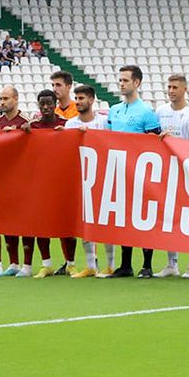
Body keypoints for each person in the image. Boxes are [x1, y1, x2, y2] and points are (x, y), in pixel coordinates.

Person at [106, 65, 162, 278]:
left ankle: (147, 264)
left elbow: (154, 144)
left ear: (137, 83)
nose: (121, 84)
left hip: (140, 174)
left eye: (125, 80)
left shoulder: (147, 112)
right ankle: (125, 264)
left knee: (143, 218)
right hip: (119, 173)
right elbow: (107, 139)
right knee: (122, 218)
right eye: (120, 80)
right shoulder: (114, 110)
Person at [155, 73, 189, 277]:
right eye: (169, 87)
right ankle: (171, 263)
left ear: (185, 89)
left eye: (175, 87)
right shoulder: (160, 111)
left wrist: (173, 142)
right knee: (169, 217)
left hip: (188, 172)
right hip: (167, 172)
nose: (171, 91)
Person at [27, 89, 78, 277]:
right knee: (42, 223)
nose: (46, 107)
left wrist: (66, 135)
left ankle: (70, 263)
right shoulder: (32, 127)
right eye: (42, 104)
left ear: (55, 103)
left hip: (62, 180)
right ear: (38, 105)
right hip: (40, 181)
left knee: (65, 222)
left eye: (49, 103)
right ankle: (46, 264)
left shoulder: (66, 125)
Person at [61, 84, 109, 277]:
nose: (78, 102)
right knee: (84, 221)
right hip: (80, 178)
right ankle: (90, 265)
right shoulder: (70, 125)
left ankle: (110, 264)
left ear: (91, 100)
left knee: (105, 221)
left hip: (102, 176)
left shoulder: (104, 122)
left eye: (82, 98)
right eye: (77, 98)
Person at [0, 85, 28, 277]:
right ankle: (13, 263)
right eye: (1, 99)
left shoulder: (26, 122)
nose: (2, 102)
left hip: (21, 178)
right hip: (1, 179)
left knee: (24, 221)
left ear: (16, 99)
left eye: (6, 98)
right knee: (6, 221)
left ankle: (27, 264)